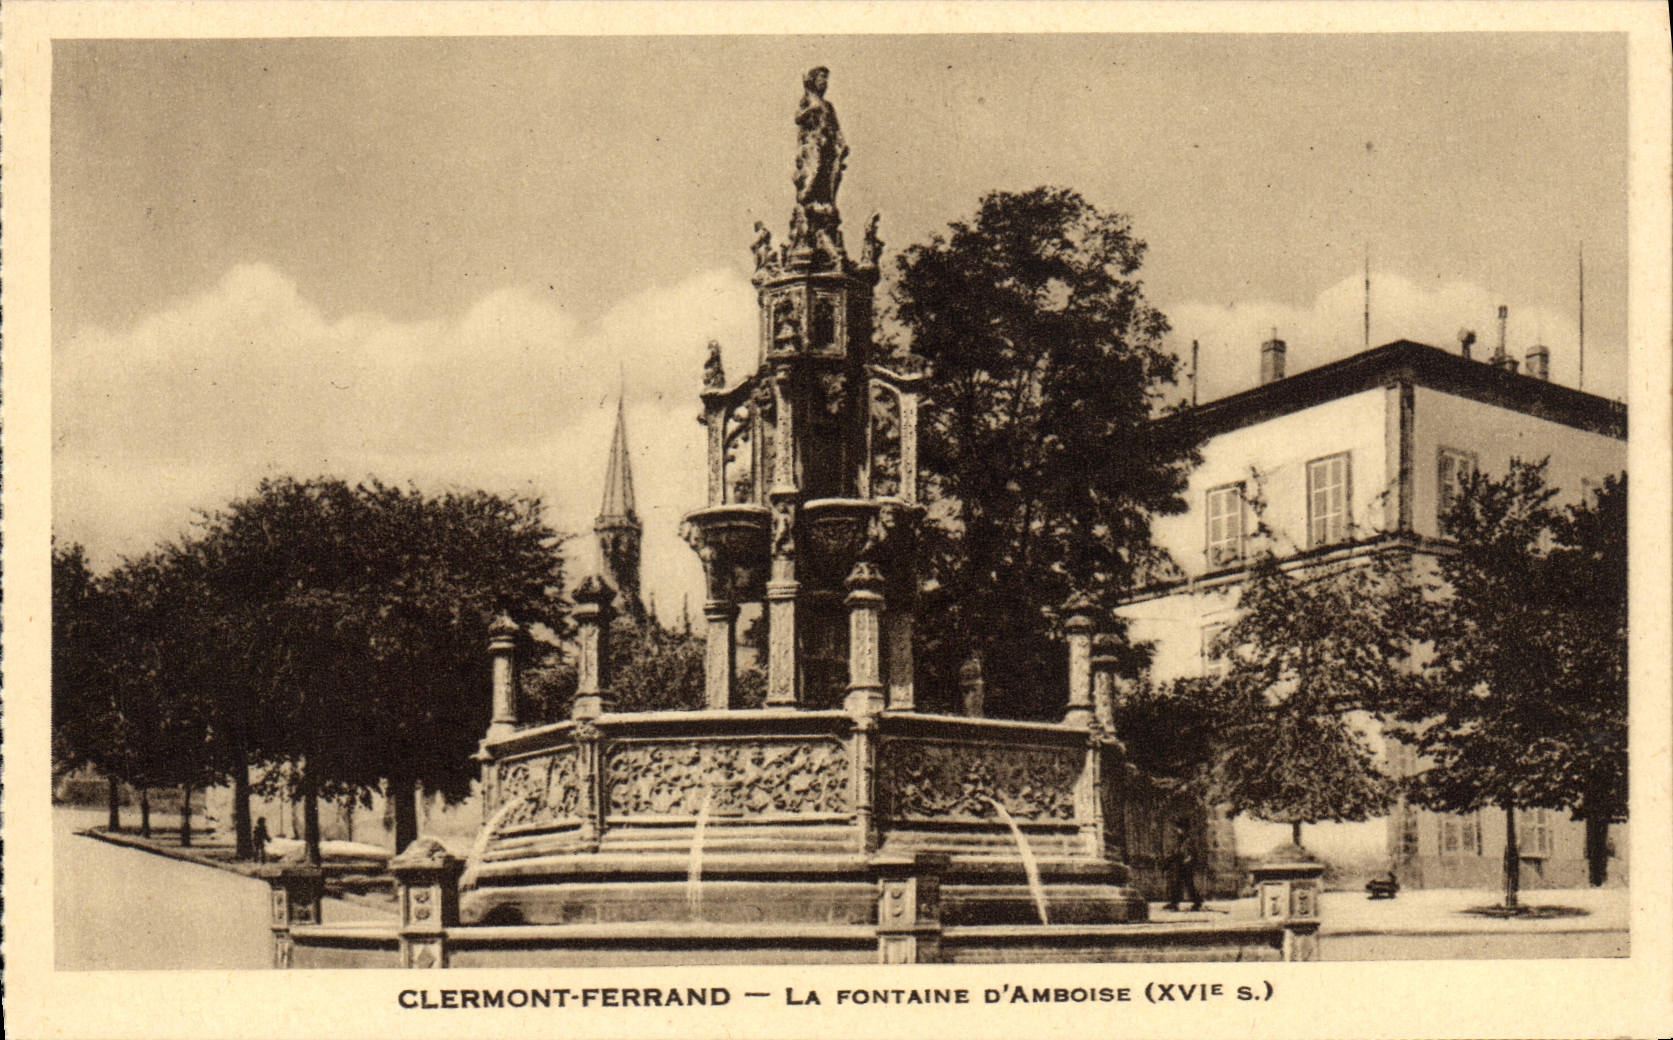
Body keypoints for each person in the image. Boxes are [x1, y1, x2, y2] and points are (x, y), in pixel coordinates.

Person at [1163, 818, 1203, 911]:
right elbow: (1177, 851)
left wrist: (1188, 860)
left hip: (1186, 865)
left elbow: (1193, 853)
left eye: (1180, 828)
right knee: (1176, 883)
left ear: (1184, 829)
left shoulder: (1189, 839)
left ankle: (1197, 902)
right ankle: (1174, 903)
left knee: (1188, 884)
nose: (1178, 830)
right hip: (1179, 864)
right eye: (1178, 828)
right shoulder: (1179, 839)